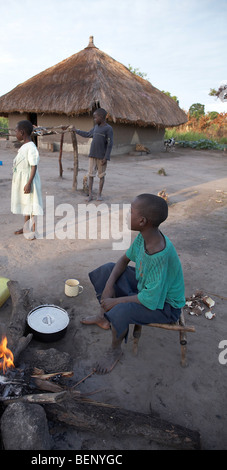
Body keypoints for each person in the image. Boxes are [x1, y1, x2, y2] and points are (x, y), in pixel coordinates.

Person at [82, 193, 185, 374]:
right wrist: (108, 286)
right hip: (147, 287)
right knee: (107, 270)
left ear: (143, 221)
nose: (127, 214)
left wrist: (115, 301)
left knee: (121, 310)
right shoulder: (144, 236)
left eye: (131, 211)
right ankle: (103, 316)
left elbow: (150, 299)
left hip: (164, 305)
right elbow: (123, 261)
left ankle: (115, 350)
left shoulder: (160, 254)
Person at [72, 108, 113, 202]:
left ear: (101, 117)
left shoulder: (108, 129)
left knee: (101, 176)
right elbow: (87, 134)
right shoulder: (96, 127)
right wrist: (76, 130)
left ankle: (99, 194)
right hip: (92, 155)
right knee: (90, 175)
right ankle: (90, 195)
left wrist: (106, 157)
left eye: (95, 118)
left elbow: (110, 144)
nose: (94, 119)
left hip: (102, 157)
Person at [11, 120, 43, 238]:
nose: (15, 133)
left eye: (16, 131)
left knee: (32, 206)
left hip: (30, 181)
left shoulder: (31, 147)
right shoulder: (25, 146)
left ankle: (34, 231)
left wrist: (29, 183)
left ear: (22, 132)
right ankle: (26, 228)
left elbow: (34, 166)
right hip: (24, 181)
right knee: (26, 205)